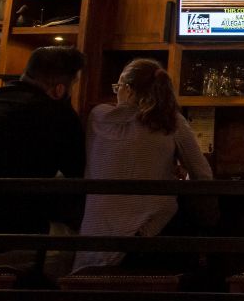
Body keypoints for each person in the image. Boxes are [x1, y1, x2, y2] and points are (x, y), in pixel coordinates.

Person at [73, 58, 213, 271]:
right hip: (148, 237)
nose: (116, 93)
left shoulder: (97, 117)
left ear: (127, 90)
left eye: (118, 87)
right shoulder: (172, 122)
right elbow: (203, 176)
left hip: (93, 241)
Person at [0, 46, 86, 250]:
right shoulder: (57, 114)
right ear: (60, 89)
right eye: (74, 84)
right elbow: (78, 177)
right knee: (74, 242)